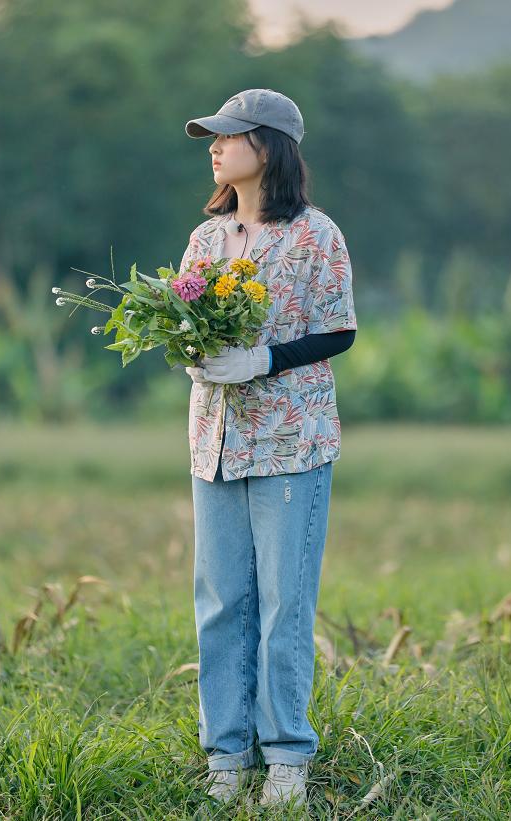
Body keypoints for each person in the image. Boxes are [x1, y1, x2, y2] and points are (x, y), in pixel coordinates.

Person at [181, 88, 357, 809]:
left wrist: (262, 361)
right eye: (212, 139)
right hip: (214, 441)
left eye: (228, 136)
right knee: (220, 601)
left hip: (290, 438)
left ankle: (286, 756)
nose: (215, 147)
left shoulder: (318, 235)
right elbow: (185, 316)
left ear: (270, 145)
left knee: (284, 603)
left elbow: (338, 329)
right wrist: (188, 351)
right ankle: (227, 754)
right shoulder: (205, 240)